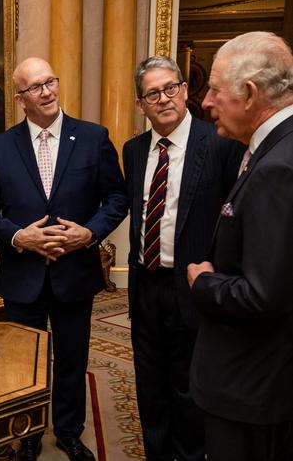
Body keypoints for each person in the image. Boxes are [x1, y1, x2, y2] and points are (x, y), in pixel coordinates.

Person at [0, 57, 127, 461]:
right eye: (36, 87)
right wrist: (18, 235)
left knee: (73, 358)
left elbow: (117, 198)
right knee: (25, 362)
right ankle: (28, 433)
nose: (47, 91)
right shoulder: (2, 146)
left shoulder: (93, 137)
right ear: (21, 98)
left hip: (75, 273)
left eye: (51, 82)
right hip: (23, 274)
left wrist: (89, 233)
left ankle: (69, 432)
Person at [123, 56, 244, 461]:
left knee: (189, 390)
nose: (163, 98)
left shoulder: (220, 145)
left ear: (184, 89)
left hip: (191, 286)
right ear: (141, 104)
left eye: (170, 87)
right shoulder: (134, 150)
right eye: (152, 93)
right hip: (145, 286)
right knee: (150, 388)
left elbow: (234, 220)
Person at [187, 31, 293, 461]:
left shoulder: (278, 169)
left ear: (249, 94)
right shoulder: (274, 149)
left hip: (253, 388)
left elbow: (263, 294)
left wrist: (205, 281)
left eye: (214, 89)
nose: (206, 101)